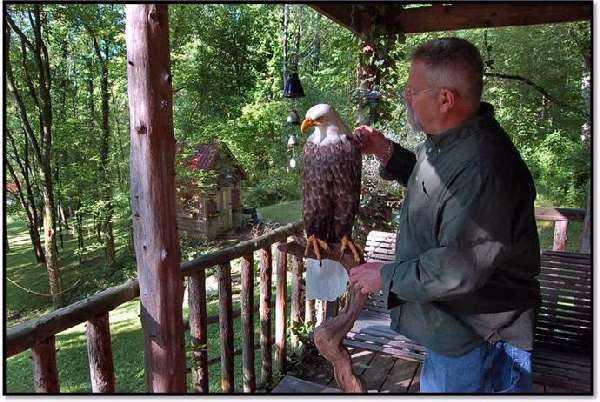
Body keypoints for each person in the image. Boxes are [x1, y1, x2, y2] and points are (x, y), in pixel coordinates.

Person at [351, 37, 540, 393]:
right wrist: (385, 150)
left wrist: (387, 276)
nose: (406, 98)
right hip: (451, 328)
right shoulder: (449, 143)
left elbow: (458, 268)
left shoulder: (485, 165)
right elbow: (436, 184)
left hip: (480, 338)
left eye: (412, 91)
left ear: (445, 99)